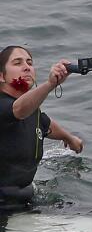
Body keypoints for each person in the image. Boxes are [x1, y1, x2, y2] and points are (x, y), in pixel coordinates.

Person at [0, 46, 85, 210]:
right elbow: (18, 110)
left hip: (24, 198)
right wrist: (50, 84)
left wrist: (68, 137)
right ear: (1, 76)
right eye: (17, 63)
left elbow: (44, 123)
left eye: (29, 62)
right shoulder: (9, 106)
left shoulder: (31, 110)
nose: (27, 67)